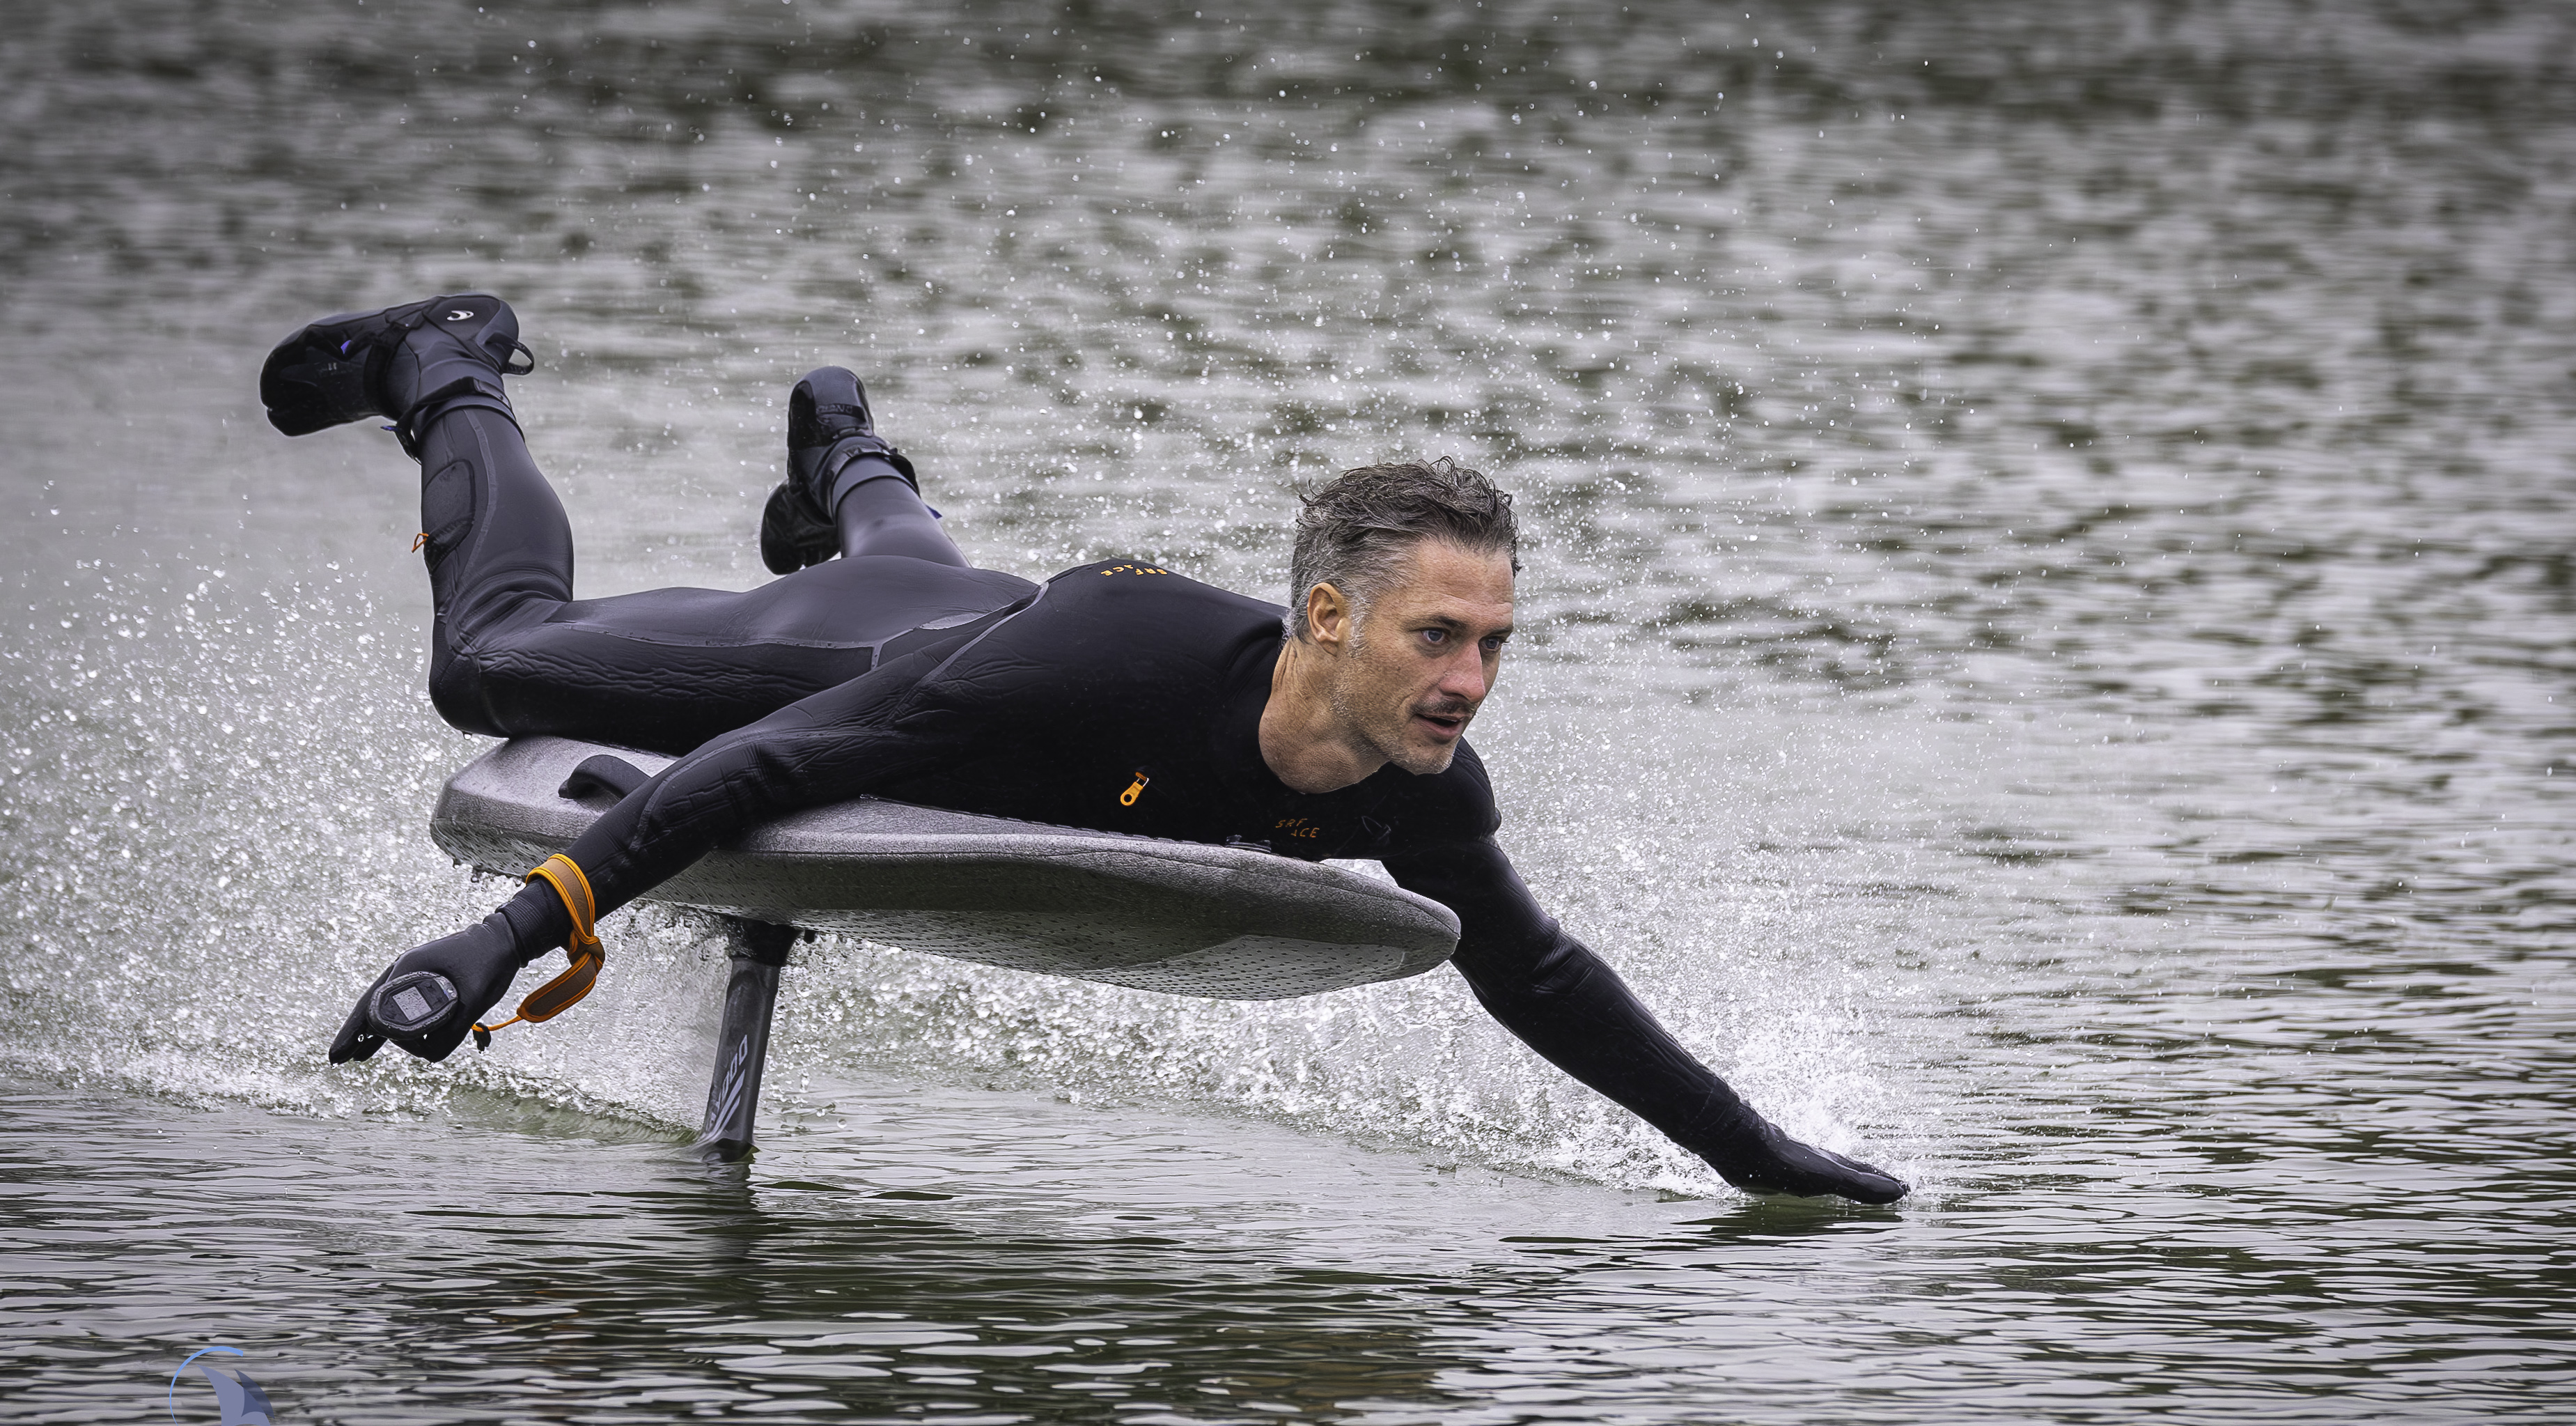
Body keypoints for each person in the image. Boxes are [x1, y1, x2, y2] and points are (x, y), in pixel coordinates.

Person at [260, 293, 1907, 1204]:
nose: (1470, 680)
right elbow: (762, 765)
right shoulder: (1089, 681)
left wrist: (1758, 1155)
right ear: (1326, 618)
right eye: (1437, 635)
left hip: (991, 621)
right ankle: (449, 369)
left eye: (1494, 641)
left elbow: (1534, 972)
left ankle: (847, 455)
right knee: (493, 665)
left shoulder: (1416, 780)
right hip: (885, 656)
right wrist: (502, 938)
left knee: (926, 573)